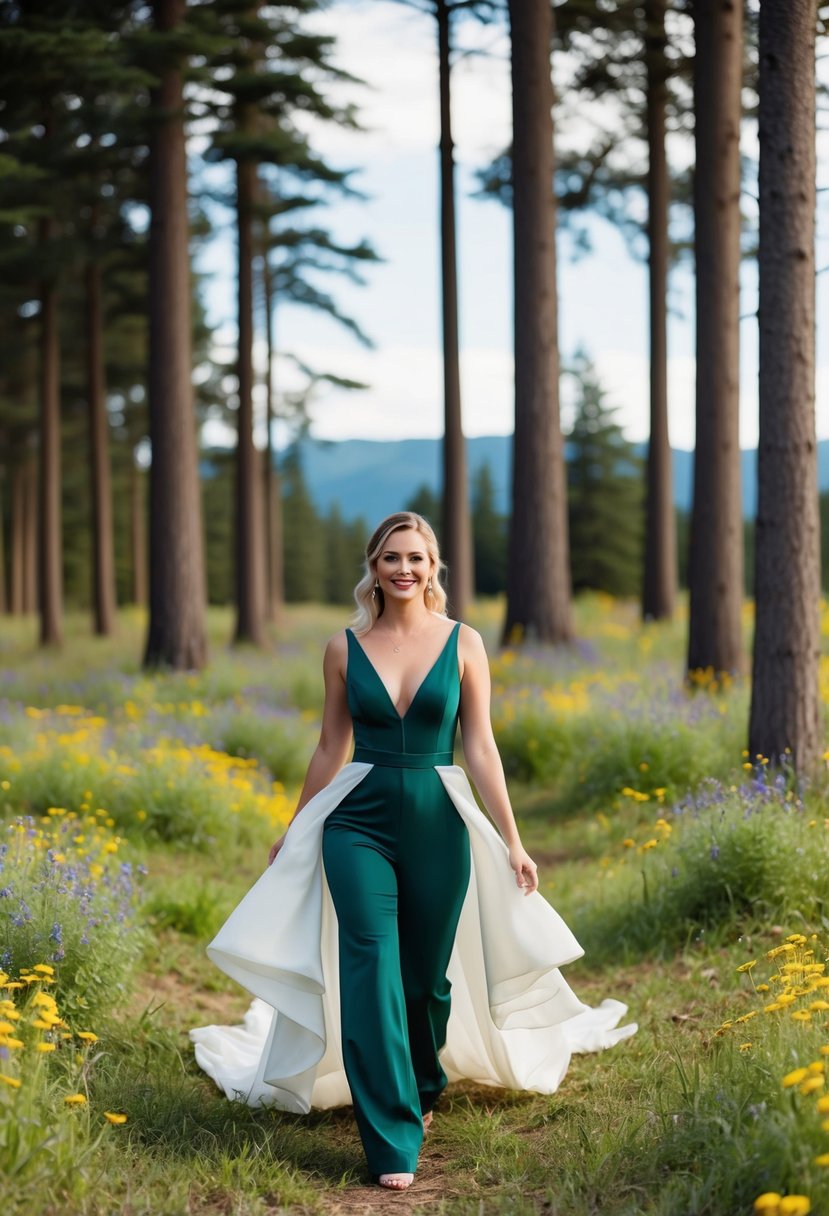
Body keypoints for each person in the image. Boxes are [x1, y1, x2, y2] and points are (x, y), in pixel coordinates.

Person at [190, 511, 636, 1192]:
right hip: (355, 822)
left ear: (434, 570)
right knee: (369, 965)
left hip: (437, 822)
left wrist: (513, 839)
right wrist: (298, 822)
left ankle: (424, 1081)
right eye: (391, 557)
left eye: (417, 559)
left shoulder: (464, 644)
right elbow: (327, 747)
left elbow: (480, 748)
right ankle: (390, 1133)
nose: (404, 569)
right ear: (372, 566)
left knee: (424, 981)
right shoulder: (343, 647)